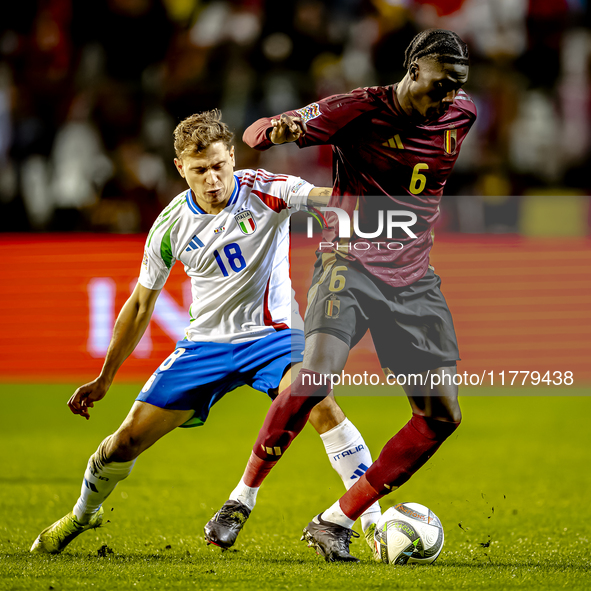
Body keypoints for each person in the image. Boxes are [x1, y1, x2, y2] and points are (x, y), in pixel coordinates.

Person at [30, 110, 380, 554]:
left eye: (219, 165)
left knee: (317, 400)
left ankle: (373, 521)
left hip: (274, 337)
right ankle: (82, 514)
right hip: (204, 347)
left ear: (232, 157)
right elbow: (140, 304)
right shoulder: (171, 225)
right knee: (123, 444)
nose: (212, 179)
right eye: (200, 170)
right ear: (181, 169)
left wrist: (369, 190)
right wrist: (105, 377)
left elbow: (322, 197)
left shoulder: (266, 191)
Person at [204, 29, 477, 562]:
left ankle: (335, 520)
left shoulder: (461, 114)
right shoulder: (357, 110)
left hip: (413, 278)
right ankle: (242, 499)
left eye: (458, 86)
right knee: (315, 376)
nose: (450, 96)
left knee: (442, 415)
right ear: (414, 69)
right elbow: (261, 133)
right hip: (347, 263)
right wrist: (274, 129)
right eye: (441, 84)